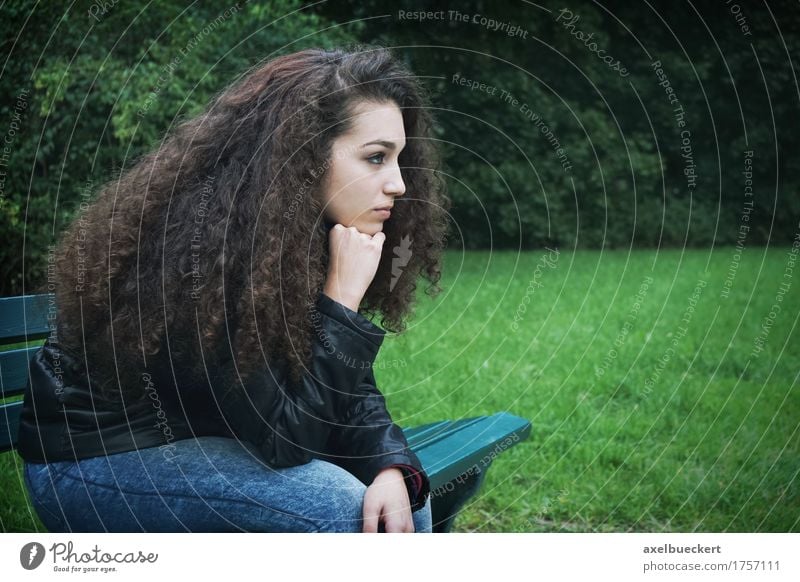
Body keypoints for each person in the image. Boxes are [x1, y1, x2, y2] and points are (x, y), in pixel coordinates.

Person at [17, 45, 450, 533]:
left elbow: (348, 391)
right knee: (340, 506)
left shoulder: (298, 235)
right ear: (303, 156)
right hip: (96, 464)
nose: (398, 183)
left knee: (403, 500)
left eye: (398, 158)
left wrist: (389, 463)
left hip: (206, 440)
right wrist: (341, 303)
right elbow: (283, 441)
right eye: (375, 158)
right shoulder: (208, 253)